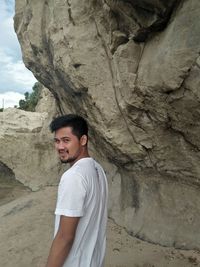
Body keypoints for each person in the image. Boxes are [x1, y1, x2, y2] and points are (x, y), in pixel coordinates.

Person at [45, 114, 108, 267]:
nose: (60, 147)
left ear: (83, 140)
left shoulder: (73, 177)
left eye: (66, 140)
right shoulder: (98, 169)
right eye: (57, 141)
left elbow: (65, 237)